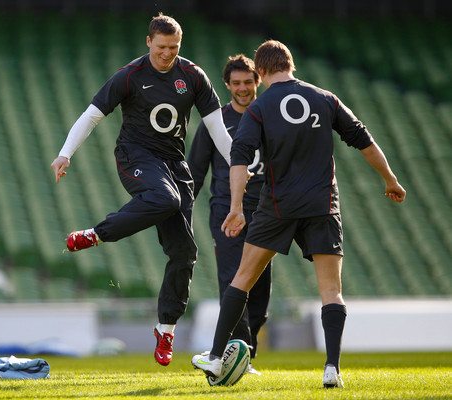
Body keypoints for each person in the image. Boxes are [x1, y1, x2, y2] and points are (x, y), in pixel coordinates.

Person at [191, 40, 406, 388]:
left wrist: (235, 208)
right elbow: (364, 140)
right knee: (331, 290)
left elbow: (239, 160)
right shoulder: (325, 98)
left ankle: (215, 358)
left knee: (242, 279)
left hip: (278, 205)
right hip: (323, 204)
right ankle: (332, 368)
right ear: (290, 65)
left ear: (261, 71)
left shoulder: (259, 108)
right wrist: (390, 179)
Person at [50, 13, 233, 367]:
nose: (167, 53)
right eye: (161, 47)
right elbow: (91, 115)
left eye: (174, 47)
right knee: (166, 198)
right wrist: (65, 153)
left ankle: (166, 329)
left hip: (175, 164)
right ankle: (97, 235)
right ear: (148, 42)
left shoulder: (193, 76)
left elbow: (218, 130)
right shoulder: (130, 75)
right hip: (135, 156)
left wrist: (241, 168)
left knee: (185, 252)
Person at [187, 54, 271, 375]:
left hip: (266, 211)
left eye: (248, 82)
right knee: (232, 280)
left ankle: (247, 353)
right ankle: (239, 353)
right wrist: (183, 211)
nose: (242, 88)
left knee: (260, 285)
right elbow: (195, 172)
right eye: (236, 83)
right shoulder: (215, 123)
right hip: (226, 211)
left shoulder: (271, 118)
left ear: (257, 81)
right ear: (227, 85)